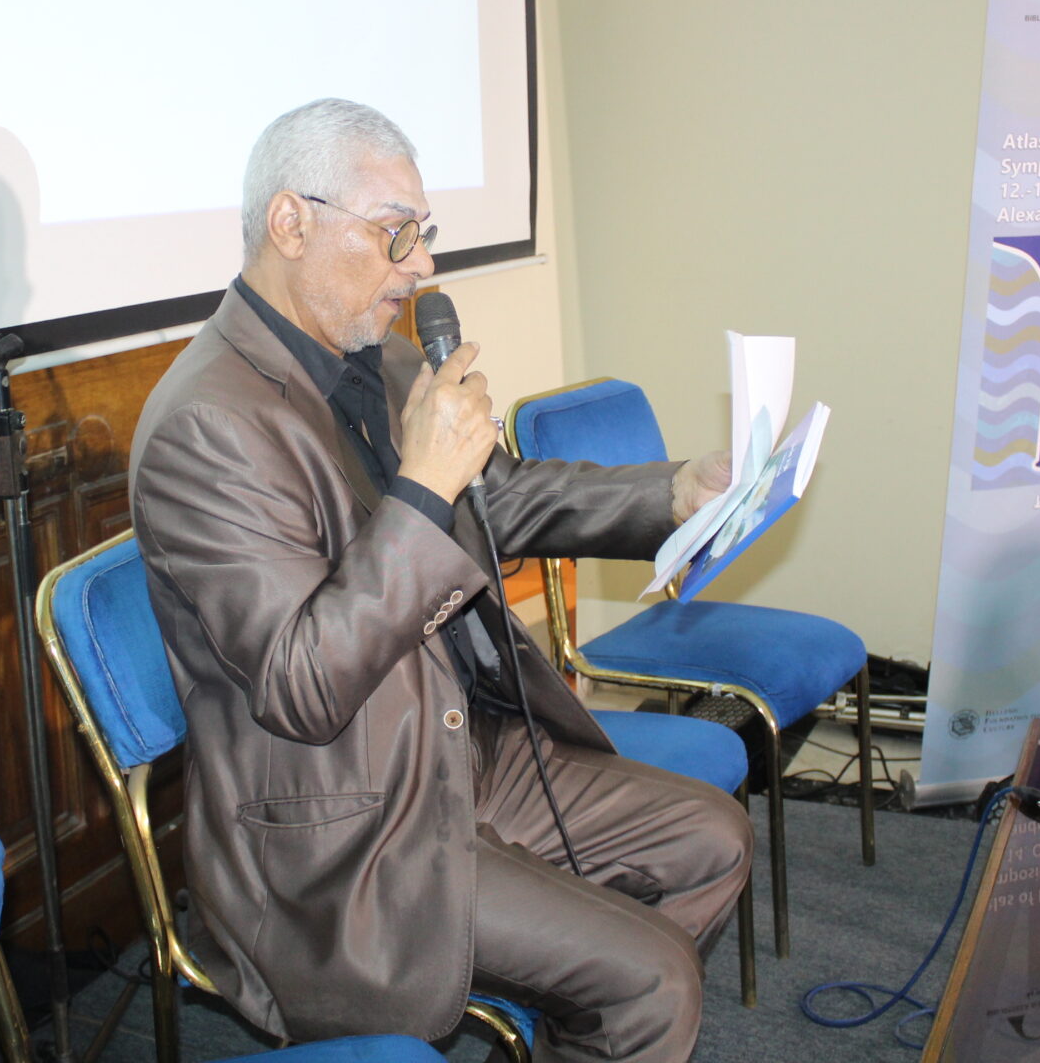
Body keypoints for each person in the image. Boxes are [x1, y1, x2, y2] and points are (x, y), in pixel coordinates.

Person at [129, 99, 750, 1063]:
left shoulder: (376, 358)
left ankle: (579, 1019)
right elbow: (301, 685)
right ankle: (615, 1005)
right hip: (348, 832)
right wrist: (421, 488)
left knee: (714, 838)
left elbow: (504, 499)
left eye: (423, 232)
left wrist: (673, 494)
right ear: (291, 223)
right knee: (655, 980)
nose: (420, 263)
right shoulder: (206, 427)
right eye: (395, 233)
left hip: (464, 752)